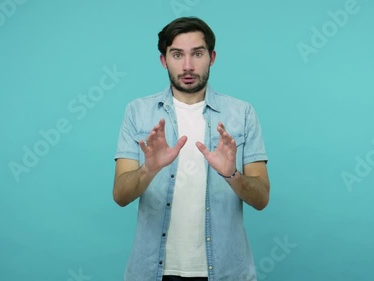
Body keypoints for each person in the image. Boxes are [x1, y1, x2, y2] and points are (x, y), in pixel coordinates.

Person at [113, 17, 270, 281]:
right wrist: (148, 170)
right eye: (177, 55)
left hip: (226, 271)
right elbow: (120, 195)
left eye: (197, 54)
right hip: (154, 271)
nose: (187, 66)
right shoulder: (137, 112)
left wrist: (232, 175)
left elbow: (261, 199)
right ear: (164, 60)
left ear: (212, 57)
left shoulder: (241, 114)